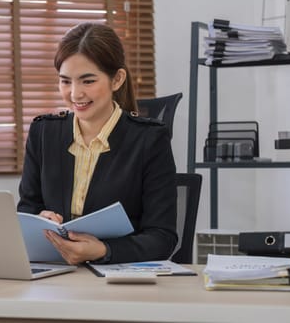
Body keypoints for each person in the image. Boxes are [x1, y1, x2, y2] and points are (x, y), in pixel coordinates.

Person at [17, 22, 177, 265]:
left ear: (117, 79)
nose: (74, 94)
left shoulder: (149, 140)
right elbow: (27, 210)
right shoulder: (43, 133)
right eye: (65, 81)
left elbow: (162, 237)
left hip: (118, 278)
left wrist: (104, 250)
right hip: (55, 274)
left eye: (87, 81)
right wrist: (38, 219)